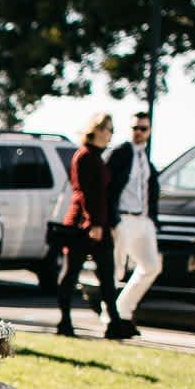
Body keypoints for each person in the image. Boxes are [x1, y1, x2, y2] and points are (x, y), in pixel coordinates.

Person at [58, 112, 136, 339]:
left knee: (107, 273)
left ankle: (113, 322)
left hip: (99, 222)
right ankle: (65, 321)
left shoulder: (98, 157)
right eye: (108, 129)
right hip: (84, 224)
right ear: (97, 130)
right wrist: (94, 223)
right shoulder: (84, 157)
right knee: (71, 273)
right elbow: (84, 193)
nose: (111, 135)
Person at [106, 111, 161, 333]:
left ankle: (123, 310)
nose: (138, 133)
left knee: (151, 266)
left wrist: (152, 220)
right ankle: (111, 318)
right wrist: (113, 220)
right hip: (123, 217)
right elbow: (108, 188)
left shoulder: (145, 157)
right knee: (116, 269)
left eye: (143, 129)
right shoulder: (120, 153)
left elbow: (150, 189)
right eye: (135, 128)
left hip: (143, 219)